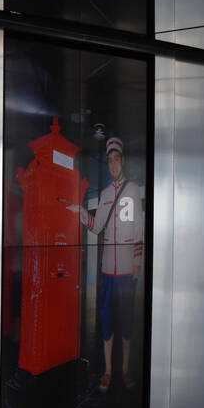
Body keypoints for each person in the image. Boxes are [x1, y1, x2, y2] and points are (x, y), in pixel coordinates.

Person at [68, 137, 143, 392]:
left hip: (125, 271)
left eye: (116, 159)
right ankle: (109, 370)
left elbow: (138, 229)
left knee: (127, 321)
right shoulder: (105, 194)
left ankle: (125, 370)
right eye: (109, 160)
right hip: (107, 272)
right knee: (108, 320)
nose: (112, 165)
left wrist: (137, 262)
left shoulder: (132, 190)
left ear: (122, 160)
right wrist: (81, 214)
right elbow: (97, 226)